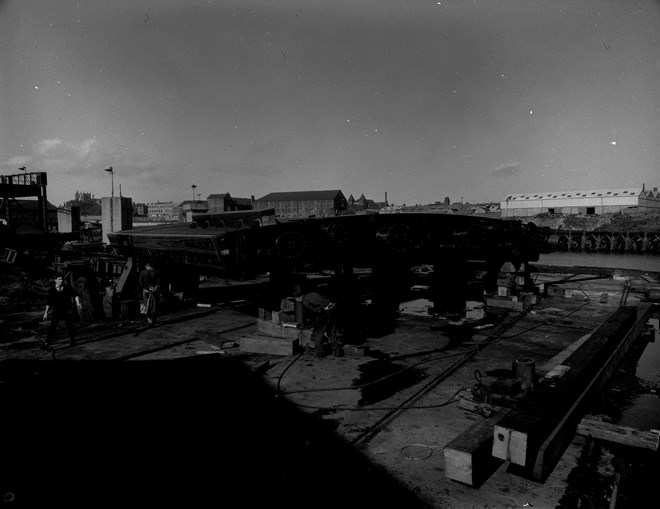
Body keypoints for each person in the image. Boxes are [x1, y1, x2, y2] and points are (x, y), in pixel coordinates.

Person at [292, 283, 342, 358]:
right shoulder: (311, 294)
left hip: (324, 314)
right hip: (332, 310)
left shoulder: (305, 302)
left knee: (317, 334)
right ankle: (336, 351)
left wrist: (313, 320)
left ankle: (320, 353)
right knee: (331, 332)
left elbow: (316, 310)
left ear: (297, 298)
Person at [43, 274, 82, 348]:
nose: (62, 280)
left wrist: (78, 303)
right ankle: (47, 343)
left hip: (67, 310)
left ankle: (72, 341)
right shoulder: (52, 290)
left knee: (70, 326)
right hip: (56, 311)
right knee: (52, 327)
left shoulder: (67, 287)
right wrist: (45, 313)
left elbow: (75, 295)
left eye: (62, 279)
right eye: (60, 279)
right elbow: (49, 303)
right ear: (55, 280)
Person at [138, 260, 161, 325]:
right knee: (154, 305)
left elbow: (140, 283)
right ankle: (154, 320)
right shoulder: (156, 272)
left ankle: (149, 321)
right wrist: (154, 289)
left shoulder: (143, 272)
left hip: (146, 290)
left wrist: (141, 291)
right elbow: (158, 283)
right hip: (154, 290)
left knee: (146, 305)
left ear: (146, 266)